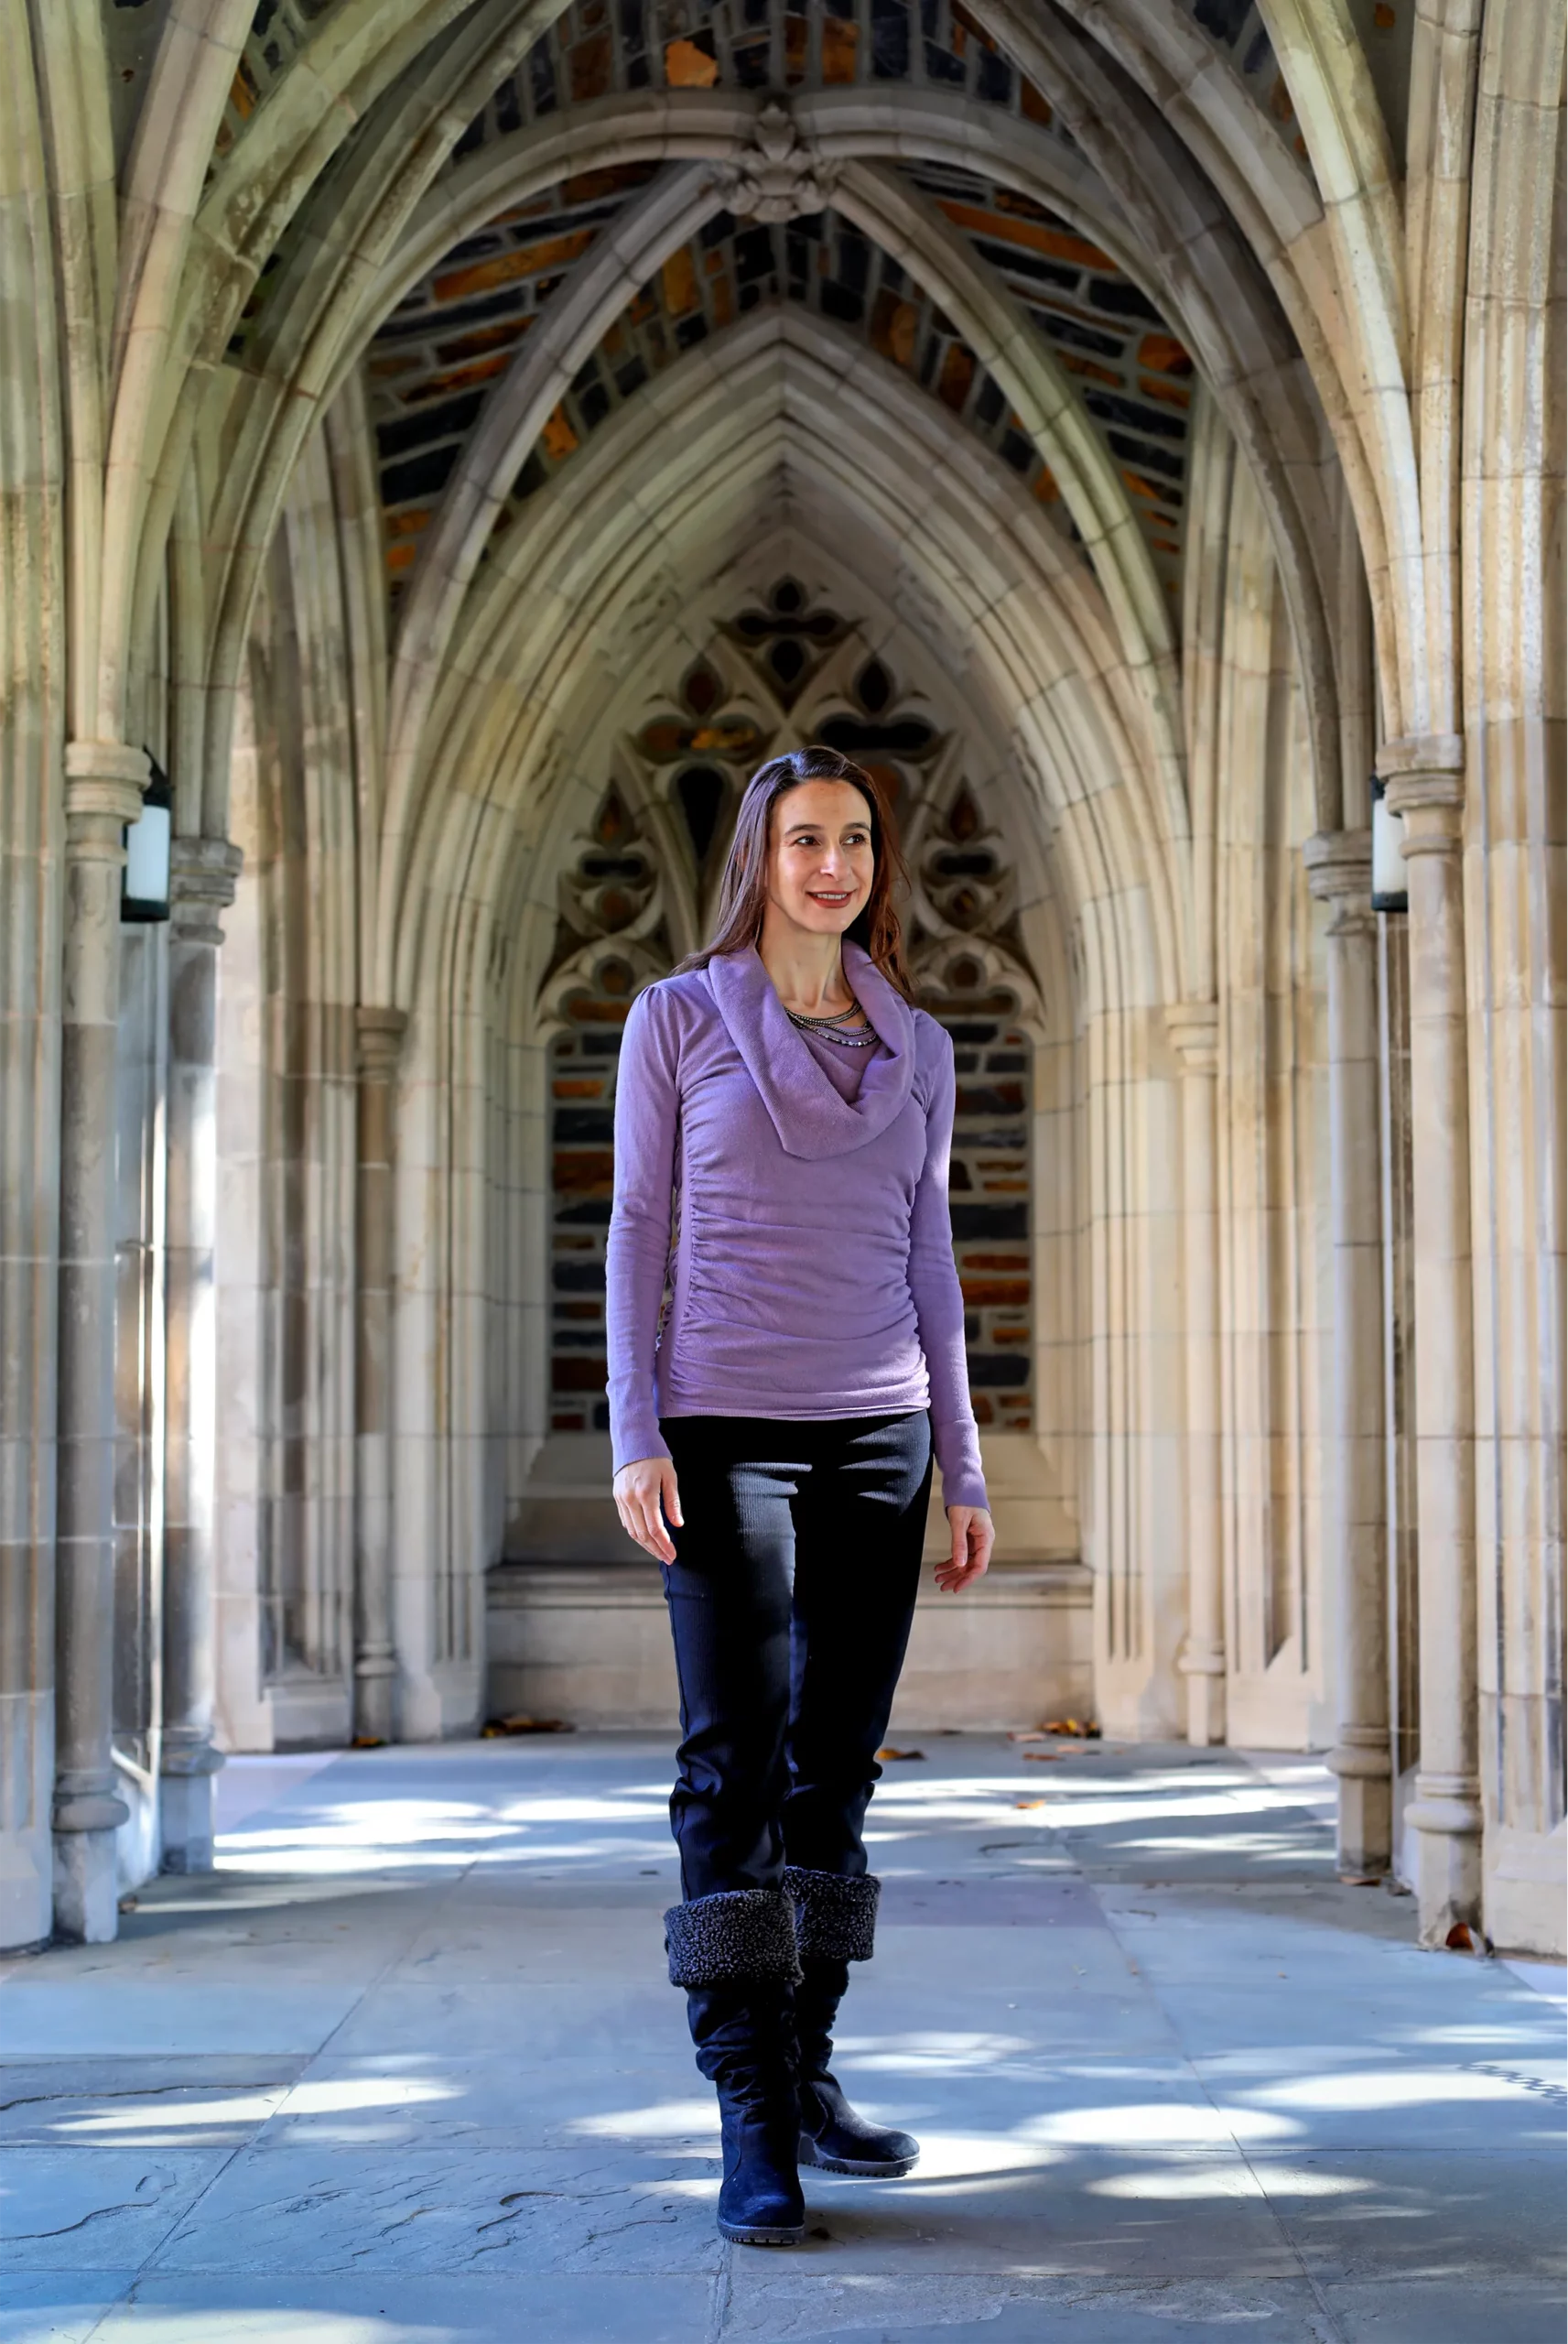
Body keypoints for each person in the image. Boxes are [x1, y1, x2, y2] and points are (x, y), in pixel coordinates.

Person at [606, 744, 994, 2247]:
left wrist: (961, 1461)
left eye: (855, 841)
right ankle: (748, 2111)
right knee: (735, 1769)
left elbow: (934, 1265)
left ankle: (810, 2065)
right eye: (803, 841)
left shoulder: (922, 1051)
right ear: (757, 864)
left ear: (877, 868)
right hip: (718, 1433)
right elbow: (640, 1226)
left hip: (877, 1438)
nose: (832, 865)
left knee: (837, 1768)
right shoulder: (677, 1020)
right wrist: (635, 1428)